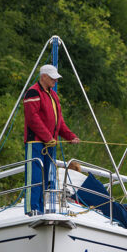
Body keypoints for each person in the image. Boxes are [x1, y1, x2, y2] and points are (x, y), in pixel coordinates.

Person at [23, 64, 80, 215]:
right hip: (36, 143)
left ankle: (40, 211)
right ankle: (32, 210)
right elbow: (32, 119)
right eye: (53, 77)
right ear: (44, 77)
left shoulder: (53, 95)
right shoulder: (33, 92)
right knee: (34, 178)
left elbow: (59, 122)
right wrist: (47, 137)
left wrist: (70, 136)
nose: (55, 80)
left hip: (49, 144)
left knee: (44, 180)